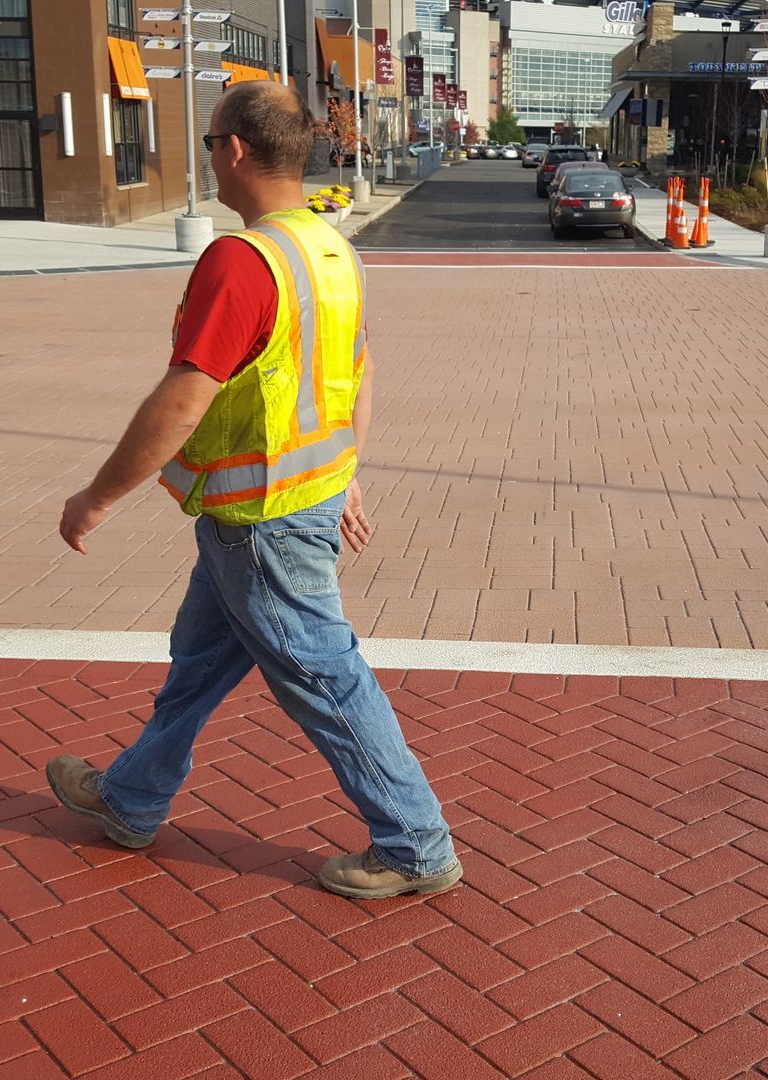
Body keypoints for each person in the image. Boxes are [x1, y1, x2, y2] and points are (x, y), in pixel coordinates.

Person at [45, 80, 460, 901]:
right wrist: (345, 479)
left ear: (234, 149)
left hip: (263, 524)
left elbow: (183, 398)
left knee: (326, 678)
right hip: (279, 507)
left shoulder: (242, 261)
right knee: (198, 666)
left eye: (208, 143)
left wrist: (96, 496)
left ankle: (416, 845)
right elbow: (356, 375)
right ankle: (132, 800)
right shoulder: (331, 248)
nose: (209, 156)